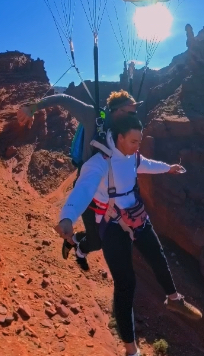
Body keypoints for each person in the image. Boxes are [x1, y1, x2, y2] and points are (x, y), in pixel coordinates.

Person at [55, 112, 202, 356]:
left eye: (139, 140)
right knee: (126, 286)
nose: (138, 145)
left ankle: (174, 299)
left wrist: (168, 168)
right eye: (134, 140)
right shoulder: (99, 163)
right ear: (119, 137)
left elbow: (145, 164)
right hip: (111, 226)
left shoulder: (132, 155)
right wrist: (67, 217)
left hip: (136, 216)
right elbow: (83, 190)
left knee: (158, 255)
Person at [18, 89, 138, 270]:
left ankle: (76, 240)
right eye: (131, 112)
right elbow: (64, 99)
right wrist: (33, 107)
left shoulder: (125, 126)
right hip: (89, 185)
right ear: (117, 109)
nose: (134, 117)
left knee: (110, 235)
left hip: (109, 192)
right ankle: (77, 246)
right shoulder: (93, 115)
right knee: (96, 243)